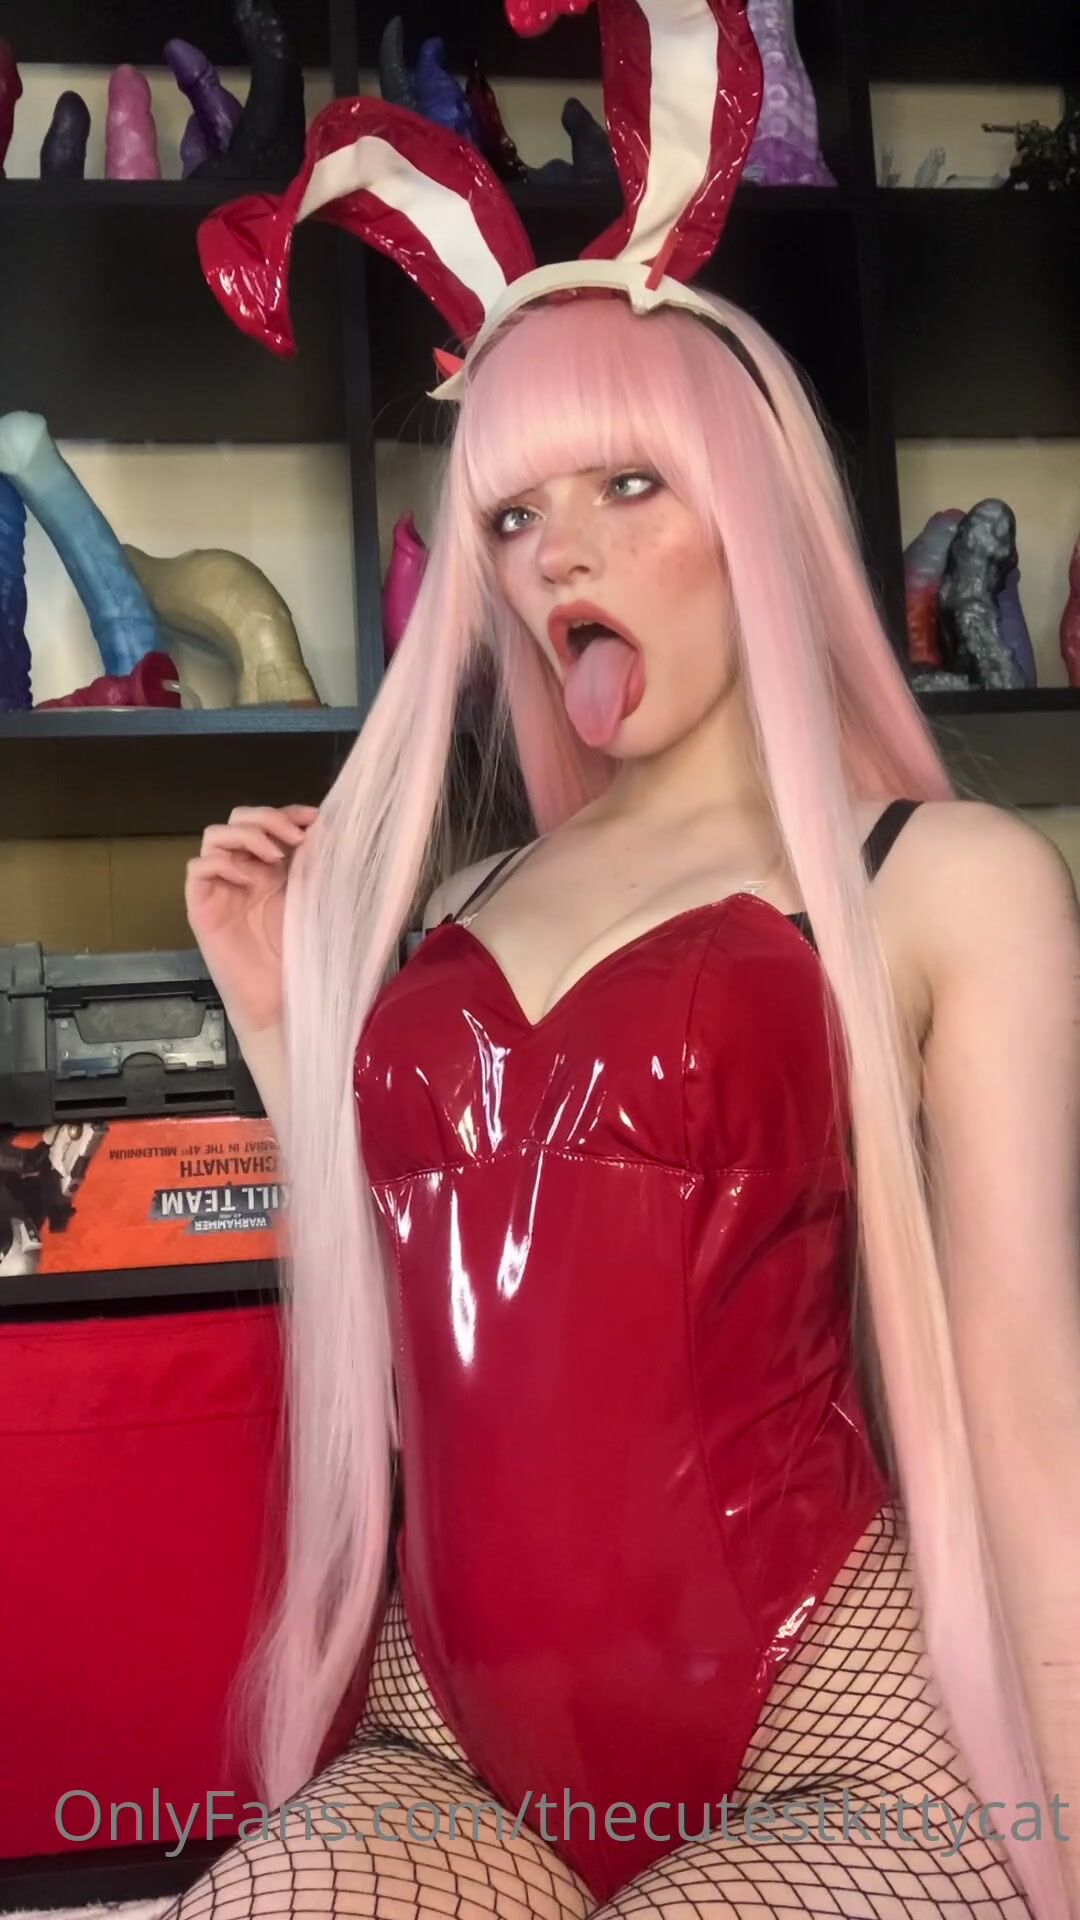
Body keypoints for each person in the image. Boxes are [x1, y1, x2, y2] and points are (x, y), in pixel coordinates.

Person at [176, 12, 1080, 1917]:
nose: (555, 560)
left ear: (749, 501)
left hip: (834, 1735)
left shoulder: (943, 881)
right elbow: (411, 1323)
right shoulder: (459, 904)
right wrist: (283, 1020)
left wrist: (1069, 1833)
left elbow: (1024, 1402)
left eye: (625, 489)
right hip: (453, 1744)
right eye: (512, 515)